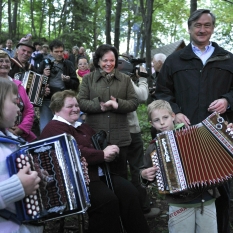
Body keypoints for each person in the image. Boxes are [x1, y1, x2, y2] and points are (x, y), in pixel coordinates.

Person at [155, 9, 233, 233]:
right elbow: (162, 93)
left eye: (207, 25)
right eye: (197, 25)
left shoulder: (228, 59)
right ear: (189, 28)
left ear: (213, 29)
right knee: (186, 189)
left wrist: (227, 101)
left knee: (222, 190)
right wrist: (175, 111)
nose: (202, 29)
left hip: (219, 135)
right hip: (184, 134)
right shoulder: (174, 60)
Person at [40, 90, 150, 233]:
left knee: (129, 192)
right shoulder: (54, 128)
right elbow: (72, 151)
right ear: (57, 109)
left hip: (99, 175)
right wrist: (101, 155)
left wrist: (111, 149)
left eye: (77, 105)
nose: (75, 109)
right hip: (75, 182)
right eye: (70, 106)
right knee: (107, 201)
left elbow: (98, 143)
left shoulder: (81, 126)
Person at [140, 99, 220, 233]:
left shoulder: (194, 135)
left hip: (206, 198)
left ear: (173, 116)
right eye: (156, 120)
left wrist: (226, 132)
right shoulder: (154, 147)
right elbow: (144, 170)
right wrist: (144, 174)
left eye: (165, 117)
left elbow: (215, 151)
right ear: (151, 124)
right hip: (179, 203)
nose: (162, 122)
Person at [78, 44, 138, 179]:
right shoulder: (88, 79)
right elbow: (80, 102)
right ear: (98, 61)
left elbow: (134, 103)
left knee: (120, 177)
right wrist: (99, 106)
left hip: (119, 136)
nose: (108, 64)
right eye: (105, 60)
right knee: (97, 177)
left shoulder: (125, 79)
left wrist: (117, 104)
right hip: (95, 136)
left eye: (112, 60)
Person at [0, 78, 42, 233]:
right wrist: (18, 186)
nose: (19, 109)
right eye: (15, 102)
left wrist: (37, 176)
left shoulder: (14, 141)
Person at [126, 66, 160, 218]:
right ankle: (142, 208)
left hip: (109, 132)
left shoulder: (94, 79)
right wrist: (143, 79)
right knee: (137, 168)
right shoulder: (123, 78)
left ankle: (124, 209)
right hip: (130, 129)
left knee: (117, 172)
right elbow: (142, 96)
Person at [37, 39, 79, 133]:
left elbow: (76, 84)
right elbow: (35, 83)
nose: (59, 54)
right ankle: (46, 147)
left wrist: (68, 80)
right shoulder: (44, 63)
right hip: (47, 100)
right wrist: (43, 76)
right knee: (45, 128)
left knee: (64, 128)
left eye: (61, 51)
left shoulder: (68, 64)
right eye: (56, 52)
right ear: (51, 52)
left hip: (64, 101)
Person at [0, 50, 36, 142]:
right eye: (1, 61)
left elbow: (29, 109)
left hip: (20, 135)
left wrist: (22, 128)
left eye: (7, 61)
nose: (4, 64)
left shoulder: (18, 85)